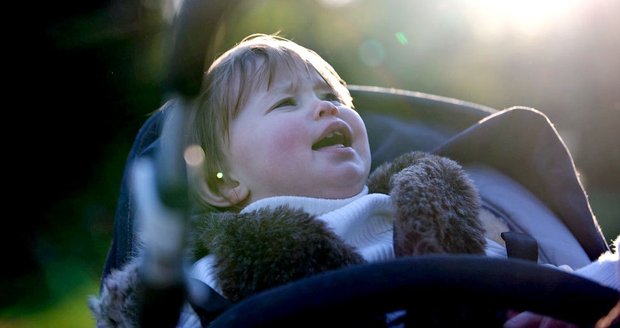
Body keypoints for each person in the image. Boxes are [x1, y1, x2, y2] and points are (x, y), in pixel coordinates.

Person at [90, 33, 619, 327]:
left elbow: (509, 276)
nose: (323, 110)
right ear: (224, 182)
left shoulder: (425, 208)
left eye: (330, 98)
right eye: (286, 103)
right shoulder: (209, 277)